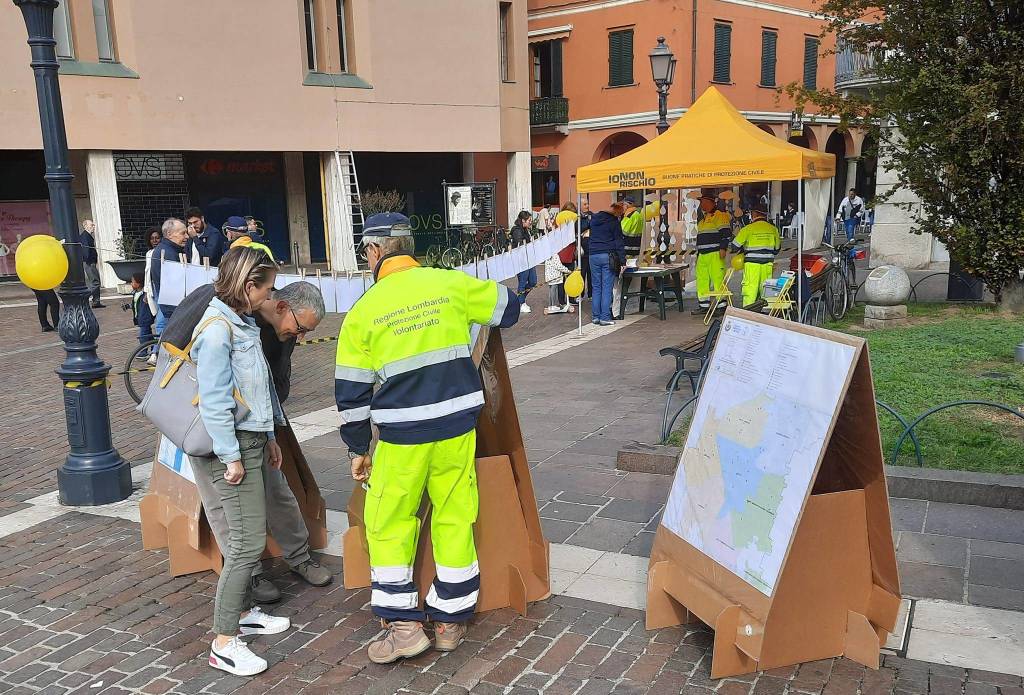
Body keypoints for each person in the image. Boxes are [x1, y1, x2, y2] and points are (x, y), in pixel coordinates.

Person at [334, 212, 520, 664]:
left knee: (389, 521)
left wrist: (359, 448)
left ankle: (403, 628)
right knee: (455, 516)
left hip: (402, 435)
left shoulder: (364, 311)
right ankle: (450, 624)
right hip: (458, 426)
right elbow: (509, 308)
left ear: (374, 252)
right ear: (409, 246)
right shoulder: (449, 283)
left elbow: (351, 393)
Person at [160, 280, 333, 603]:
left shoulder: (273, 328)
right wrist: (228, 447)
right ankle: (248, 574)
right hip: (209, 428)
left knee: (277, 491)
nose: (263, 296)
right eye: (263, 288)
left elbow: (274, 380)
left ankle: (298, 556)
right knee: (222, 503)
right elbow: (180, 358)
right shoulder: (220, 317)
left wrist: (270, 431)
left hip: (254, 429)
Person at [190, 247, 290, 676]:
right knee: (246, 544)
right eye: (268, 289)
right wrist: (232, 456)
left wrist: (268, 437)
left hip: (249, 442)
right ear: (249, 286)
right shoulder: (218, 330)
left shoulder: (239, 323)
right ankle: (224, 640)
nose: (271, 297)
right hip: (232, 448)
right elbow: (214, 402)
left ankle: (244, 615)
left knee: (246, 538)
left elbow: (254, 391)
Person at [729, 206, 781, 307]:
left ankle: (749, 314)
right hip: (768, 265)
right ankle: (765, 314)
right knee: (766, 290)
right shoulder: (773, 229)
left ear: (754, 214)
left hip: (752, 265)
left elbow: (734, 246)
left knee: (750, 290)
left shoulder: (747, 229)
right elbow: (777, 249)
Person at [588, 203, 626, 326]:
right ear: (616, 212)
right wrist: (622, 261)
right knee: (607, 287)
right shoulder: (614, 222)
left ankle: (595, 316)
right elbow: (619, 242)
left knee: (596, 287)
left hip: (593, 255)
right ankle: (605, 316)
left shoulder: (594, 219)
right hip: (607, 255)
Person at [693, 195, 732, 314]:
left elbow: (726, 233)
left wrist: (723, 248)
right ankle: (704, 306)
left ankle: (721, 306)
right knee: (702, 280)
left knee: (718, 279)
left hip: (715, 253)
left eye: (703, 202)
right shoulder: (702, 219)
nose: (702, 205)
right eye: (701, 203)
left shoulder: (719, 215)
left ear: (711, 203)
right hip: (703, 255)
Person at [150, 218, 190, 325]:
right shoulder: (168, 253)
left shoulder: (168, 250)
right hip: (175, 309)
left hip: (173, 308)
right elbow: (178, 283)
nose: (186, 236)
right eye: (183, 233)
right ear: (169, 234)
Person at [511, 210, 536, 313]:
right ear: (523, 220)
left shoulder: (526, 230)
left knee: (533, 281)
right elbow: (520, 245)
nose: (531, 222)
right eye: (529, 220)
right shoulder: (517, 231)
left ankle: (519, 299)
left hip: (529, 259)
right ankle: (521, 303)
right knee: (523, 281)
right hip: (521, 261)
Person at [81, 220, 105, 308]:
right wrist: (89, 261)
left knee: (96, 281)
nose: (93, 227)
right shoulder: (85, 236)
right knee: (95, 282)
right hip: (89, 262)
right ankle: (83, 297)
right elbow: (86, 250)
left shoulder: (88, 236)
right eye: (92, 225)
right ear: (85, 226)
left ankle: (96, 302)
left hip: (91, 262)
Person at [129, 272, 154, 350]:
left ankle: (143, 352)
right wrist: (128, 306)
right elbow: (136, 304)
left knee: (143, 336)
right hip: (140, 318)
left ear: (138, 283)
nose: (131, 283)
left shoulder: (145, 294)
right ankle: (154, 349)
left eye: (133, 282)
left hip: (145, 318)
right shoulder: (135, 293)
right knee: (148, 335)